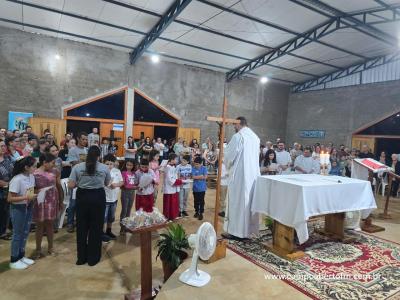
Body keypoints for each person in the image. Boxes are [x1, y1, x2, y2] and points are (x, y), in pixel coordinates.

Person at [68, 146, 111, 266]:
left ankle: (81, 258)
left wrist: (81, 182)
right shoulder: (104, 168)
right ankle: (93, 258)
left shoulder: (77, 167)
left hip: (82, 197)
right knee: (96, 228)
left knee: (81, 227)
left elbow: (71, 185)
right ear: (99, 155)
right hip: (98, 197)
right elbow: (107, 183)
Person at [222, 117, 260, 240]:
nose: (234, 127)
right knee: (248, 203)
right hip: (253, 176)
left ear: (239, 124)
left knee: (237, 203)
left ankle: (236, 232)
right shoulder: (255, 137)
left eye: (234, 125)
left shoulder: (238, 137)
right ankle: (248, 230)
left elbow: (229, 156)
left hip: (240, 176)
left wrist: (226, 164)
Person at [8, 156, 38, 269]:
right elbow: (10, 199)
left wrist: (32, 197)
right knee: (17, 234)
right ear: (26, 167)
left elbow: (30, 191)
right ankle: (14, 259)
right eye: (34, 166)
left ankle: (21, 256)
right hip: (18, 208)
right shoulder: (17, 179)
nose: (36, 168)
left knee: (25, 232)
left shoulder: (31, 176)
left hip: (28, 206)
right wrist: (26, 197)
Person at [33, 153, 63, 258]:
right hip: (40, 200)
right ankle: (38, 249)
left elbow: (58, 186)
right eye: (52, 163)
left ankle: (51, 247)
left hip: (52, 199)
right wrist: (38, 190)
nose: (54, 165)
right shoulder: (34, 173)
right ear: (44, 163)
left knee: (50, 224)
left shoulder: (55, 171)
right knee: (40, 225)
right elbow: (31, 188)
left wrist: (60, 200)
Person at [66, 132, 88, 233]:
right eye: (83, 139)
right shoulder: (72, 150)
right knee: (72, 203)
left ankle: (79, 222)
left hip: (85, 179)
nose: (85, 141)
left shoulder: (86, 150)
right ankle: (70, 223)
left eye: (86, 139)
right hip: (74, 179)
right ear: (78, 139)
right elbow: (74, 163)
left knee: (82, 203)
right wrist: (85, 164)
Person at [102, 154, 123, 241]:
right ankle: (101, 233)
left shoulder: (117, 171)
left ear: (114, 164)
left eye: (111, 164)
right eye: (107, 164)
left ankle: (108, 230)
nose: (109, 166)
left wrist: (116, 185)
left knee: (111, 216)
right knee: (104, 217)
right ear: (103, 163)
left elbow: (121, 182)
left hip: (114, 198)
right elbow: (100, 183)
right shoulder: (102, 171)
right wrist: (108, 184)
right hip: (105, 199)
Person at [0, 140, 14, 240]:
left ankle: (3, 231)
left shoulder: (8, 158)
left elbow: (15, 168)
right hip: (1, 189)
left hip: (8, 188)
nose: (3, 148)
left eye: (4, 146)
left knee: (6, 211)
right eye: (1, 146)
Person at [163, 153, 183, 220]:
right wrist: (179, 182)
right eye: (176, 159)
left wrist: (178, 180)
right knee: (168, 204)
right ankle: (167, 217)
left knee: (173, 203)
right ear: (171, 160)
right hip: (169, 188)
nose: (177, 160)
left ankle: (173, 216)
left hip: (174, 188)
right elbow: (169, 179)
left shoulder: (174, 166)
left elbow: (175, 176)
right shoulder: (167, 167)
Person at [120, 160, 137, 235]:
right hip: (125, 193)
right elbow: (124, 185)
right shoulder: (123, 173)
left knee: (129, 210)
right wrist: (134, 187)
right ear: (125, 165)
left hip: (132, 193)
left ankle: (126, 226)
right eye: (127, 165)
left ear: (133, 166)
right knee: (124, 210)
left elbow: (136, 182)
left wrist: (137, 186)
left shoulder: (134, 173)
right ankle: (122, 227)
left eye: (131, 165)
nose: (129, 166)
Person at [191, 156, 207, 221]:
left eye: (197, 164)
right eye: (195, 164)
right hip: (195, 188)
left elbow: (205, 177)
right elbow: (192, 177)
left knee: (201, 201)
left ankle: (201, 213)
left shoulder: (204, 168)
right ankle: (196, 211)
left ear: (201, 163)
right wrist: (200, 176)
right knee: (196, 200)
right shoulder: (193, 168)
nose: (196, 165)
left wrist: (197, 177)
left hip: (202, 188)